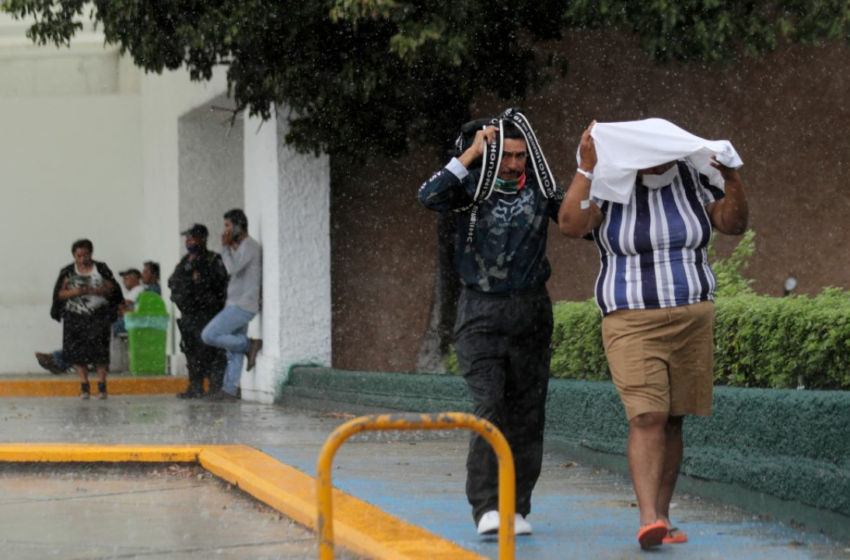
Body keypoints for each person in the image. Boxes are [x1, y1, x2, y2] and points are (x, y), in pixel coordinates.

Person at [559, 122, 749, 549]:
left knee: (675, 418)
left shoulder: (693, 176)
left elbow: (734, 222)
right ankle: (648, 519)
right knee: (648, 416)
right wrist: (586, 167)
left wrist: (732, 177)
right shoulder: (610, 181)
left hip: (692, 316)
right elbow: (571, 224)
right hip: (630, 318)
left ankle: (663, 515)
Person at [418, 111, 564, 536]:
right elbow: (428, 195)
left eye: (521, 156)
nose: (515, 164)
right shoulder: (469, 189)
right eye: (507, 156)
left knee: (528, 413)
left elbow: (579, 222)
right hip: (480, 311)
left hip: (532, 310)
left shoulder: (540, 190)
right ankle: (485, 507)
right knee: (489, 409)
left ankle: (517, 507)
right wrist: (474, 151)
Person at [37, 261, 162, 373]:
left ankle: (59, 359)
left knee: (87, 337)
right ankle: (60, 359)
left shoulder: (148, 290)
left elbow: (127, 307)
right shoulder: (147, 290)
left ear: (154, 274)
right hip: (127, 321)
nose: (143, 274)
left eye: (145, 271)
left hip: (129, 322)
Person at [201, 209, 263, 402]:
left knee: (209, 335)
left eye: (228, 225)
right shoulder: (243, 247)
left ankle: (249, 344)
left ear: (238, 225)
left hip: (242, 305)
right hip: (237, 303)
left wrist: (225, 248)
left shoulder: (250, 245)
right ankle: (230, 390)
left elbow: (232, 268)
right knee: (232, 348)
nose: (225, 230)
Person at [50, 239, 123, 399]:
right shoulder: (68, 271)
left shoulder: (101, 268)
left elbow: (113, 289)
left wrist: (97, 291)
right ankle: (84, 386)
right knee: (78, 353)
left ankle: (102, 386)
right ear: (74, 256)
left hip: (98, 315)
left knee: (100, 352)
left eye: (86, 255)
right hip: (75, 316)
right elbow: (59, 294)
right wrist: (74, 292)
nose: (83, 259)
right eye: (79, 256)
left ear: (91, 254)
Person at [169, 224, 229, 399]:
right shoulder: (185, 261)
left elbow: (219, 285)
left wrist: (198, 281)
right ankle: (195, 387)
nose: (189, 241)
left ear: (203, 238)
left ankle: (214, 388)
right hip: (189, 315)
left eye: (192, 237)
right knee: (191, 352)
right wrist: (189, 283)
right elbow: (173, 282)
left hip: (209, 315)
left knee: (212, 352)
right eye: (187, 238)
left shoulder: (212, 260)